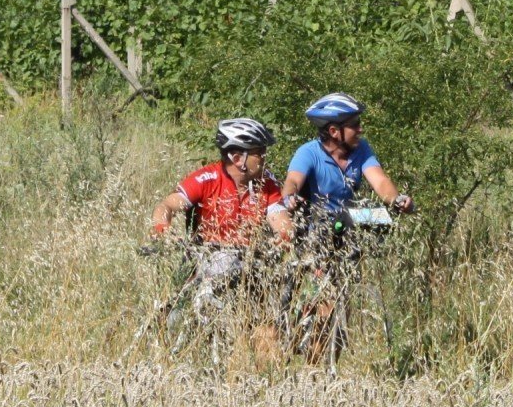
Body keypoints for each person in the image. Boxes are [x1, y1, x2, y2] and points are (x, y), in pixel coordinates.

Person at [148, 117, 294, 315]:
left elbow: (280, 219)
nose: (264, 157)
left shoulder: (266, 184)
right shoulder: (207, 178)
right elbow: (168, 205)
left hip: (249, 265)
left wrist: (284, 235)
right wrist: (162, 227)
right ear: (237, 158)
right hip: (205, 259)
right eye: (259, 152)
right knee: (178, 315)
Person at [281, 93, 412, 226]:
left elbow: (380, 181)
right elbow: (293, 181)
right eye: (354, 125)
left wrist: (397, 199)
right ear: (334, 131)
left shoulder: (362, 148)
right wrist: (289, 197)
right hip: (317, 229)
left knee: (383, 219)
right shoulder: (308, 152)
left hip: (348, 223)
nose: (360, 129)